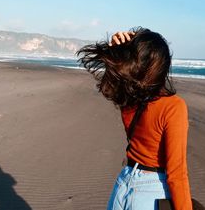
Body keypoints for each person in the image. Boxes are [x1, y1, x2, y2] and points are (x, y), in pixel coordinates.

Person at [76, 27, 193, 210]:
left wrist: (117, 50)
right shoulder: (173, 106)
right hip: (152, 192)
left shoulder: (129, 101)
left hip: (123, 184)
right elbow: (176, 174)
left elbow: (115, 81)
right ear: (161, 67)